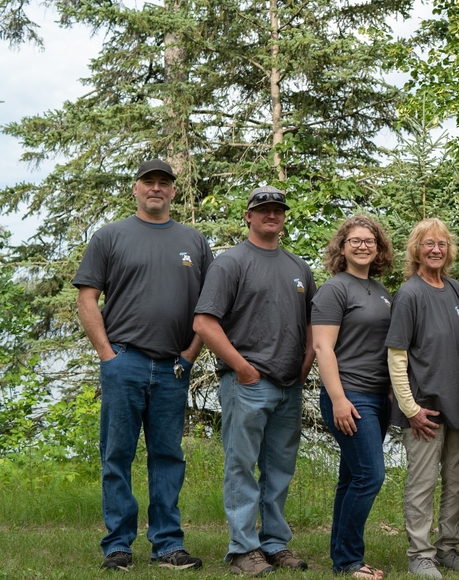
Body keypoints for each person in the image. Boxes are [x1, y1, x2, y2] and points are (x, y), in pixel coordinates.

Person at [74, 159, 212, 571]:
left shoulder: (194, 241)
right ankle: (118, 545)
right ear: (135, 188)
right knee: (116, 455)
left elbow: (210, 308)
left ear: (173, 191)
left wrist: (190, 355)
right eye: (148, 182)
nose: (156, 188)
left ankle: (168, 545)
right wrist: (108, 357)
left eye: (164, 183)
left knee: (168, 455)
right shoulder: (110, 237)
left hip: (173, 367)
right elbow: (87, 299)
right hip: (125, 362)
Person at [193, 185, 315, 576]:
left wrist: (307, 359)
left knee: (279, 469)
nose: (271, 215)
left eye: (278, 209)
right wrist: (242, 367)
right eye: (263, 209)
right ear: (248, 216)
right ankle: (243, 549)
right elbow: (204, 323)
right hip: (247, 384)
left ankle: (275, 543)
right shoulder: (230, 263)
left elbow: (313, 323)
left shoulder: (299, 267)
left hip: (288, 385)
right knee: (241, 466)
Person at [386, 218, 459, 579]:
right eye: (428, 244)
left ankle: (448, 549)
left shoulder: (456, 290)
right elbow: (397, 356)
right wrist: (409, 408)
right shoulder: (409, 294)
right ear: (416, 250)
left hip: (458, 405)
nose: (436, 249)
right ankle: (420, 554)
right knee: (423, 483)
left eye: (442, 244)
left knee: (457, 481)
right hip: (423, 408)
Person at [313, 215, 397, 579]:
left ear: (378, 248)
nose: (363, 246)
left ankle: (340, 556)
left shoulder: (381, 291)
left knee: (350, 478)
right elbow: (322, 347)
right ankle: (349, 560)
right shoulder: (335, 289)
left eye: (370, 241)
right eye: (355, 240)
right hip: (350, 396)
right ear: (342, 247)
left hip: (378, 398)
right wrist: (339, 399)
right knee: (370, 476)